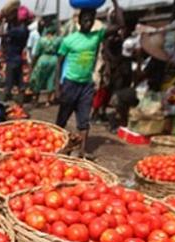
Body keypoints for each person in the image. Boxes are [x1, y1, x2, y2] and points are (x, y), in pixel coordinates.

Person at [55, 1, 124, 157]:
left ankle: (82, 151)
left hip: (86, 85)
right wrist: (57, 87)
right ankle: (58, 147)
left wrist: (115, 2)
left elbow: (120, 24)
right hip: (70, 84)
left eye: (90, 20)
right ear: (79, 21)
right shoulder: (69, 40)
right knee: (62, 119)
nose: (87, 23)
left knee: (84, 120)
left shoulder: (96, 36)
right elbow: (59, 64)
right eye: (85, 20)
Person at [29, 18, 61, 104]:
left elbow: (36, 53)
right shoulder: (58, 40)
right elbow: (60, 52)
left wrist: (32, 65)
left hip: (43, 59)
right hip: (54, 60)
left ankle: (36, 98)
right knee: (51, 79)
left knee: (38, 78)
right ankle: (48, 100)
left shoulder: (42, 40)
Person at [2, 7, 30, 102]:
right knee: (20, 82)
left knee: (9, 82)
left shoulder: (15, 31)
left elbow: (4, 34)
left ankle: (4, 101)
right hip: (18, 58)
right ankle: (20, 101)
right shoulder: (26, 31)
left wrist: (4, 21)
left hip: (12, 59)